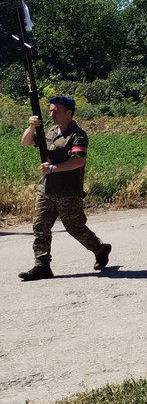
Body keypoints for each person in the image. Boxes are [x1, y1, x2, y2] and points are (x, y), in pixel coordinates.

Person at [17, 96, 111, 280]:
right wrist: (31, 128)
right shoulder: (50, 131)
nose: (51, 113)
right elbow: (26, 142)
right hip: (46, 188)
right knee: (40, 227)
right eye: (50, 110)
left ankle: (100, 248)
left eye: (55, 110)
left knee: (75, 227)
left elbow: (78, 160)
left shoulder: (77, 135)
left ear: (68, 113)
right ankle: (42, 265)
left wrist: (54, 168)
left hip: (68, 190)